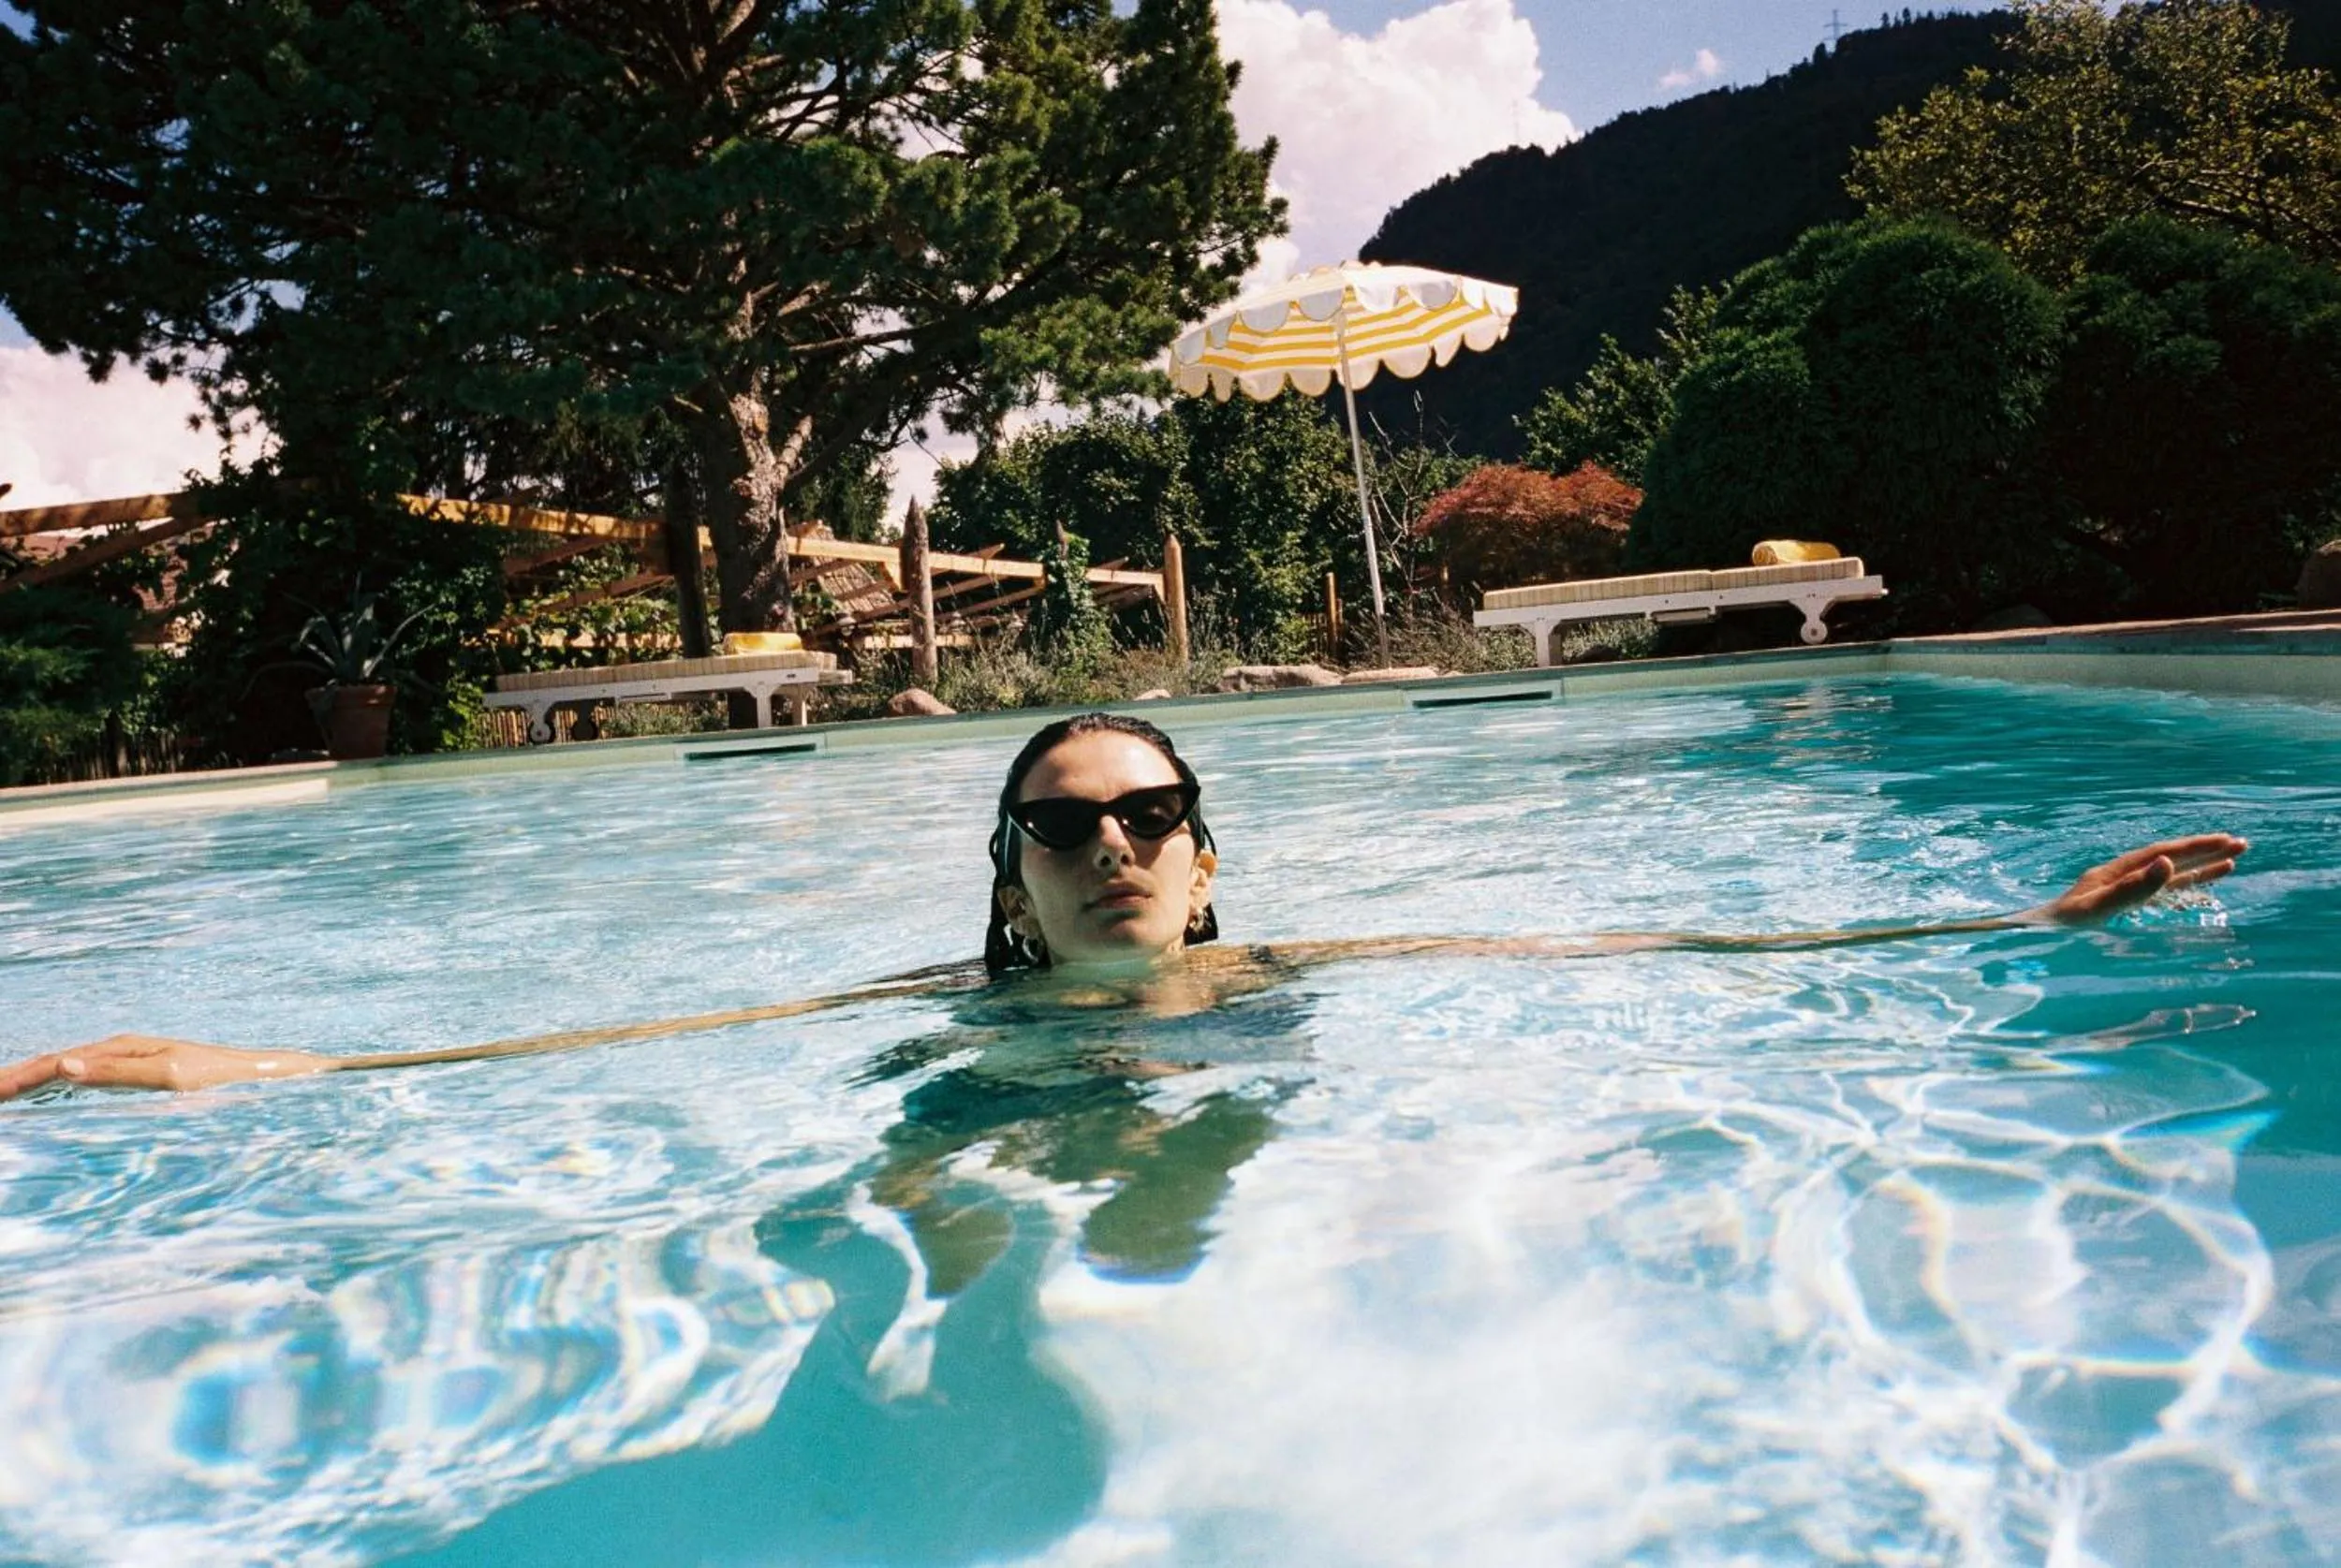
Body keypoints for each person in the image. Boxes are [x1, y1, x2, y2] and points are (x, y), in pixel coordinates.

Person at [0, 711, 2248, 1103]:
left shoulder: (1289, 974)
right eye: (1065, 828)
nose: (1116, 849)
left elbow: (1647, 961)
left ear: (1207, 845)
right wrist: (177, 1060)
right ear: (1007, 877)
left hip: (1219, 1115)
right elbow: (574, 1055)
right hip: (994, 1133)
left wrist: (2019, 939)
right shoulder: (941, 1018)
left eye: (1150, 813)